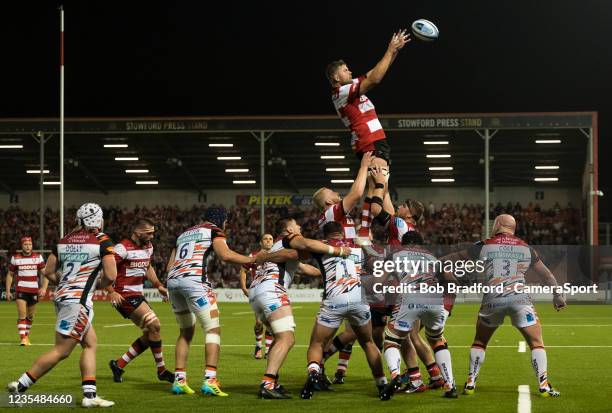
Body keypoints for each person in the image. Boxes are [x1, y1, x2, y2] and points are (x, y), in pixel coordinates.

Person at [264, 220, 392, 400]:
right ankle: (382, 384)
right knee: (368, 343)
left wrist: (266, 256)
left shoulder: (321, 246)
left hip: (334, 299)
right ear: (342, 233)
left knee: (316, 343)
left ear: (325, 235)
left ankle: (314, 372)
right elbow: (376, 265)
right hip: (358, 298)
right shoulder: (357, 246)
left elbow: (295, 253)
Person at [7, 203, 118, 407]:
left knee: (90, 343)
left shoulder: (64, 240)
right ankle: (20, 386)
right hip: (78, 302)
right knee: (61, 351)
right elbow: (111, 275)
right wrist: (95, 286)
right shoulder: (102, 241)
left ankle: (90, 396)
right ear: (97, 220)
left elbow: (48, 271)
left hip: (62, 297)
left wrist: (67, 282)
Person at [462, 214, 565, 398]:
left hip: (493, 298)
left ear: (499, 225)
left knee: (480, 342)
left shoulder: (482, 245)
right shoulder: (527, 248)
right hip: (519, 299)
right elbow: (547, 275)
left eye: (494, 223)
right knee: (536, 343)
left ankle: (470, 383)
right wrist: (557, 295)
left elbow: (463, 267)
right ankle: (543, 386)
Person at [326, 29, 410, 237]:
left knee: (381, 190)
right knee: (378, 186)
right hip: (369, 141)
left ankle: (390, 234)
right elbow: (374, 79)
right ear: (336, 77)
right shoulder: (340, 92)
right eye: (346, 70)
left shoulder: (351, 86)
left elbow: (376, 72)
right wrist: (390, 49)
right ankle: (364, 230)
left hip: (372, 140)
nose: (350, 72)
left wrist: (395, 51)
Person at [166, 206, 253, 397]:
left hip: (173, 281)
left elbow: (170, 265)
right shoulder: (215, 230)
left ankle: (179, 381)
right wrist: (250, 260)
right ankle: (210, 380)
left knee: (185, 332)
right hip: (195, 281)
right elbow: (225, 255)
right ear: (221, 220)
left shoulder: (184, 233)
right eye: (226, 221)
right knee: (213, 330)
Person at [250, 219, 322, 399]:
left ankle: (273, 381)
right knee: (287, 338)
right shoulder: (287, 241)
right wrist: (330, 249)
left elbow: (307, 269)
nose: (300, 229)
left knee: (278, 336)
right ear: (289, 229)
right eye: (298, 226)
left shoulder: (275, 248)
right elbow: (300, 251)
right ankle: (268, 382)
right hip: (271, 290)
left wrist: (327, 271)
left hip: (256, 292)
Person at [382, 231, 459, 399]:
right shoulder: (432, 257)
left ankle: (395, 376)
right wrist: (447, 307)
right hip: (435, 298)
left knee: (391, 339)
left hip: (410, 297)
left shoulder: (395, 255)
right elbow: (451, 280)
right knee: (437, 340)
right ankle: (450, 385)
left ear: (404, 244)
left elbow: (379, 281)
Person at [108, 219, 174, 383]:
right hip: (124, 295)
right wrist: (111, 291)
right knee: (155, 325)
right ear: (137, 232)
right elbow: (105, 269)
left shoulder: (148, 247)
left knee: (151, 333)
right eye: (149, 233)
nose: (152, 236)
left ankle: (119, 364)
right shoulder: (122, 248)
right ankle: (162, 371)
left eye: (153, 232)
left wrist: (158, 285)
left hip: (138, 295)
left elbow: (148, 267)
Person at [313, 151, 373, 241]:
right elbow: (356, 194)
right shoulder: (330, 213)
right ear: (328, 201)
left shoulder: (335, 216)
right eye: (332, 192)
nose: (336, 193)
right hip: (341, 253)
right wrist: (364, 166)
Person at [5, 236, 47, 346]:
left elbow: (46, 274)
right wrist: (8, 291)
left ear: (32, 245)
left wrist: (44, 288)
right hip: (21, 289)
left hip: (34, 290)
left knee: (31, 316)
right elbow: (10, 275)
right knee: (22, 314)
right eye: (25, 244)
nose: (28, 247)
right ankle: (23, 338)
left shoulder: (38, 257)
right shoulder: (16, 258)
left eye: (29, 244)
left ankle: (26, 335)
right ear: (22, 246)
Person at [240, 233, 275, 360]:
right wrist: (244, 287)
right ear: (261, 242)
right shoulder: (253, 256)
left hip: (272, 292)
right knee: (259, 322)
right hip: (257, 292)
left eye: (270, 239)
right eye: (265, 239)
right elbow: (243, 270)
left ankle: (268, 350)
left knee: (271, 322)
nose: (268, 241)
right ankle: (258, 345)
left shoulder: (277, 256)